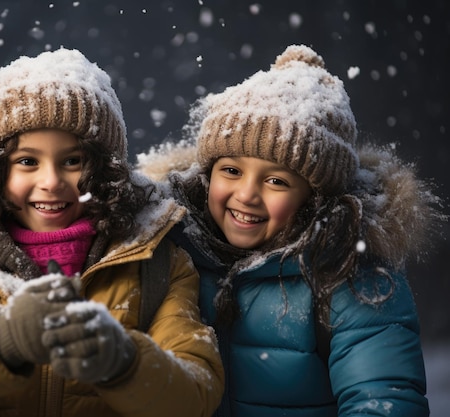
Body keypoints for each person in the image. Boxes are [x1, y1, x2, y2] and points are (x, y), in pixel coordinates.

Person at [0, 48, 224, 417]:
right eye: (27, 162)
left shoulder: (158, 263)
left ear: (105, 169)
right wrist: (2, 339)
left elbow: (196, 393)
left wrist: (124, 362)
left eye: (73, 161)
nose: (50, 181)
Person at [136, 44, 445, 416]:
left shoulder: (350, 275)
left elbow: (383, 399)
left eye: (277, 181)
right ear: (207, 176)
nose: (246, 194)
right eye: (231, 171)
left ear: (314, 197)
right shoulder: (175, 250)